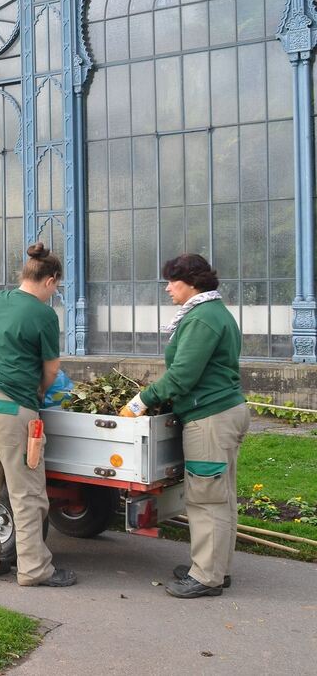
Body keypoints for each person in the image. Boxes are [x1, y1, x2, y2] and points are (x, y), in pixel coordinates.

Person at [119, 254, 249, 599]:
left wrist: (141, 401)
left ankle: (206, 576)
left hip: (210, 418)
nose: (167, 289)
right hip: (223, 412)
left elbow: (183, 375)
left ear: (191, 282)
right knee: (221, 496)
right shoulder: (212, 312)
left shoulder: (202, 318)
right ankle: (216, 569)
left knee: (206, 498)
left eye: (171, 281)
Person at [0, 243, 76, 587]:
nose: (54, 294)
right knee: (26, 493)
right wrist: (37, 396)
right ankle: (34, 570)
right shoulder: (43, 314)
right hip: (9, 405)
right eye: (56, 287)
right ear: (50, 280)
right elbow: (52, 369)